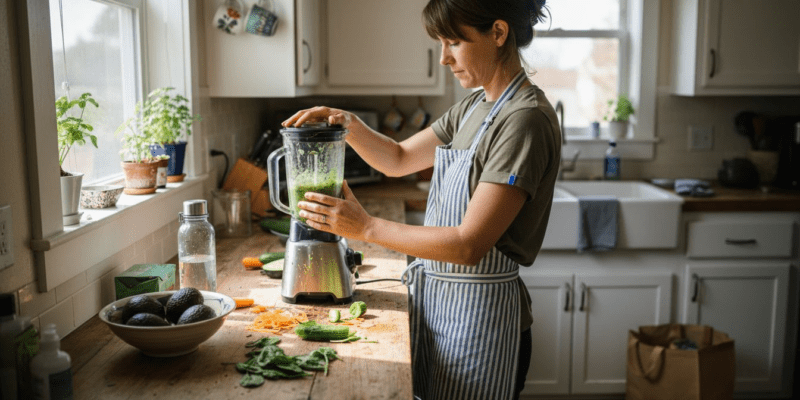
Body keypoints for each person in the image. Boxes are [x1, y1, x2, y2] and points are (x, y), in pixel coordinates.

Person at [282, 0, 560, 398]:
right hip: (442, 307)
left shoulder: (524, 120)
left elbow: (468, 245)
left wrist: (366, 227)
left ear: (498, 34)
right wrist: (349, 123)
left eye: (453, 42)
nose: (444, 58)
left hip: (483, 320)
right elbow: (397, 159)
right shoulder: (473, 108)